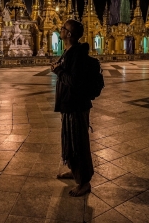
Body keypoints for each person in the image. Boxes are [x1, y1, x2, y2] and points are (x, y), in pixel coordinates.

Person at [51, 19, 93, 197]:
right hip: (69, 105)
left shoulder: (77, 54)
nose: (60, 30)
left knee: (79, 143)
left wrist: (58, 72)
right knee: (69, 140)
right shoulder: (68, 52)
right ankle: (74, 170)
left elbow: (74, 81)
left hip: (76, 106)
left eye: (63, 28)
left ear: (69, 34)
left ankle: (84, 182)